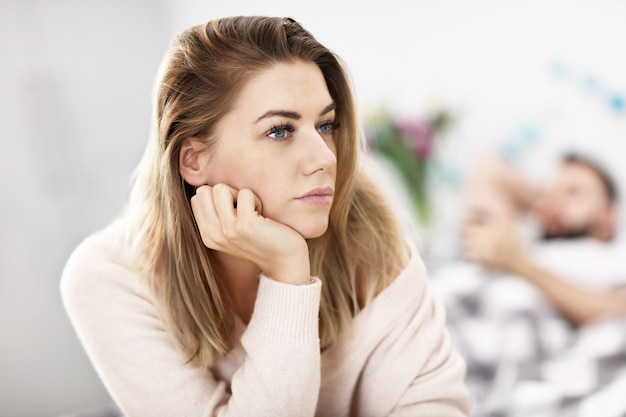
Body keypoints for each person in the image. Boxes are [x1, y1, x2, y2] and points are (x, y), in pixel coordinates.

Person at [60, 16, 470, 417]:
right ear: (193, 160)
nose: (325, 157)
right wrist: (287, 275)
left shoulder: (370, 237)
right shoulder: (108, 276)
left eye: (326, 125)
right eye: (280, 131)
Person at [460, 150, 626, 326]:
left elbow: (617, 309)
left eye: (573, 192)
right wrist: (538, 204)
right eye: (550, 192)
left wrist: (518, 264)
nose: (555, 199)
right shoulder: (524, 247)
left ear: (608, 216)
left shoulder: (612, 259)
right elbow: (488, 169)